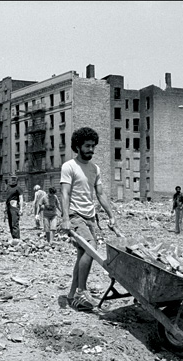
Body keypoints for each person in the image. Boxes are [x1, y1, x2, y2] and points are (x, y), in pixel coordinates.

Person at [60, 127, 117, 312]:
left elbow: (100, 194)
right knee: (90, 248)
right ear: (78, 146)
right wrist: (66, 218)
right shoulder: (69, 166)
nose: (91, 149)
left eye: (93, 146)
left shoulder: (95, 169)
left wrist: (111, 216)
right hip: (76, 216)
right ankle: (82, 291)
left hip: (91, 217)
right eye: (87, 146)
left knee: (82, 255)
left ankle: (71, 296)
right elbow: (65, 193)